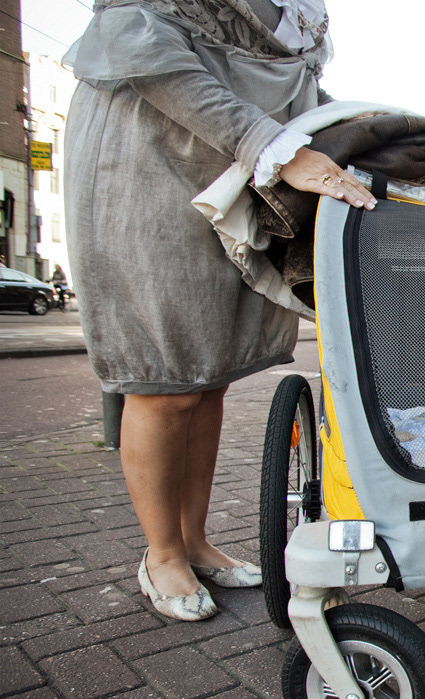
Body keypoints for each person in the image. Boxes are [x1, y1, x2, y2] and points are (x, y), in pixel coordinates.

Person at [64, 0, 375, 622]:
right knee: (165, 381)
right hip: (152, 162)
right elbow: (152, 58)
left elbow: (294, 89)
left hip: (236, 174)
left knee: (207, 382)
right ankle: (161, 554)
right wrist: (275, 148)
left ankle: (195, 541)